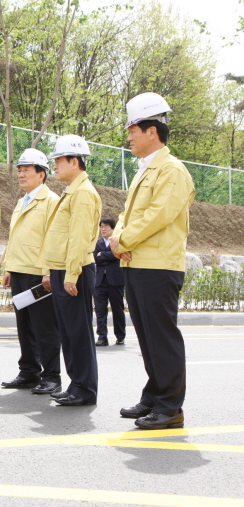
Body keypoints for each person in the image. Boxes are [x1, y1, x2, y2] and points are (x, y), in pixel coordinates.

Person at [111, 92, 195, 430]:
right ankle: (154, 396)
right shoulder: (144, 171)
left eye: (133, 129)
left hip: (159, 266)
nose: (129, 135)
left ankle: (170, 407)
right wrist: (118, 239)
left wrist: (123, 240)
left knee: (161, 337)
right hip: (138, 263)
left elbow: (158, 216)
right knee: (147, 337)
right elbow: (126, 214)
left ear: (152, 131)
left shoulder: (172, 171)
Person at [41, 135, 102, 407]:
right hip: (61, 270)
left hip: (72, 271)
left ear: (74, 161)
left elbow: (79, 238)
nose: (54, 165)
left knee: (78, 332)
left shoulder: (84, 194)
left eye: (58, 160)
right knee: (68, 332)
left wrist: (70, 275)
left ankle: (85, 389)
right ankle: (76, 384)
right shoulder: (72, 191)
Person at [1, 148, 62, 395]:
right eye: (20, 170)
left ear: (42, 174)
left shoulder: (51, 202)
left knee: (45, 327)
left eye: (26, 170)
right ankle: (28, 372)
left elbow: (53, 238)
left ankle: (51, 376)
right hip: (20, 270)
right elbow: (15, 237)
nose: (21, 174)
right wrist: (9, 268)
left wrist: (48, 271)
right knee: (24, 325)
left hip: (39, 274)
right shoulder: (20, 202)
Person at [93, 217, 126, 347]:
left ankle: (120, 336)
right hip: (100, 281)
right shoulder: (97, 243)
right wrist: (107, 255)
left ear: (113, 228)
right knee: (100, 310)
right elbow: (95, 257)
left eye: (106, 226)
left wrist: (103, 255)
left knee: (117, 309)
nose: (103, 229)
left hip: (115, 281)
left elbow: (117, 254)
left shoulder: (118, 242)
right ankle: (102, 337)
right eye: (101, 226)